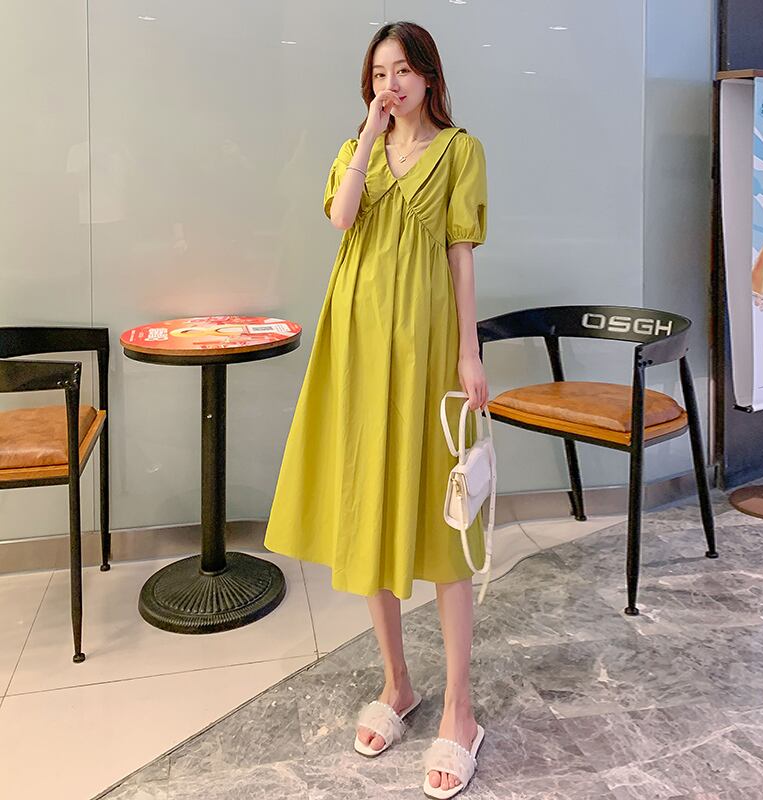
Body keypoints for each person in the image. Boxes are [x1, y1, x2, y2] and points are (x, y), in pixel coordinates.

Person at [264, 20, 488, 797]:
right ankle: (398, 682)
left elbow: (460, 256)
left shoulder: (460, 151)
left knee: (445, 520)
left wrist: (468, 353)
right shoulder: (354, 147)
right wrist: (368, 133)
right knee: (369, 505)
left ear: (429, 78)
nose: (389, 84)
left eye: (402, 71)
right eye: (378, 73)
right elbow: (341, 215)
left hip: (426, 350)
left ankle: (460, 709)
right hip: (357, 344)